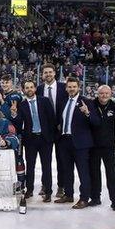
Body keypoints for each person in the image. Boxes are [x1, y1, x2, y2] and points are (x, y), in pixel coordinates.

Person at [55, 77, 100, 209]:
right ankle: (68, 194)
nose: (72, 89)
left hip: (81, 144)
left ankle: (84, 198)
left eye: (74, 86)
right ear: (66, 88)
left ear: (79, 87)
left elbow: (96, 122)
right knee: (67, 170)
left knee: (83, 172)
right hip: (64, 141)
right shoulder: (63, 101)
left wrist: (87, 113)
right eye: (69, 87)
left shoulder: (86, 102)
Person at [10, 80, 55, 202]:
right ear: (23, 90)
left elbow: (52, 119)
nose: (29, 89)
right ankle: (29, 189)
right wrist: (14, 114)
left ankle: (48, 191)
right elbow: (18, 124)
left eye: (31, 87)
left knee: (47, 166)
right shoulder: (21, 105)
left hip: (45, 139)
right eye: (26, 87)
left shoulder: (44, 101)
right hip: (30, 139)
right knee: (30, 166)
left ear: (35, 89)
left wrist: (51, 137)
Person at [36, 63, 68, 198]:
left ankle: (61, 186)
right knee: (45, 160)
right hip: (45, 130)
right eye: (45, 72)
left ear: (55, 73)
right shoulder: (39, 89)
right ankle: (45, 185)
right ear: (42, 75)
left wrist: (62, 123)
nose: (48, 74)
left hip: (60, 129)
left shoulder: (63, 88)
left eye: (50, 72)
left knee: (61, 159)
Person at [89, 85, 115, 211]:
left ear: (111, 94)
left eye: (106, 93)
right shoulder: (91, 105)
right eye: (101, 93)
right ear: (97, 93)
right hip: (93, 146)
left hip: (109, 147)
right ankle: (95, 197)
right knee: (94, 173)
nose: (104, 96)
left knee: (112, 174)